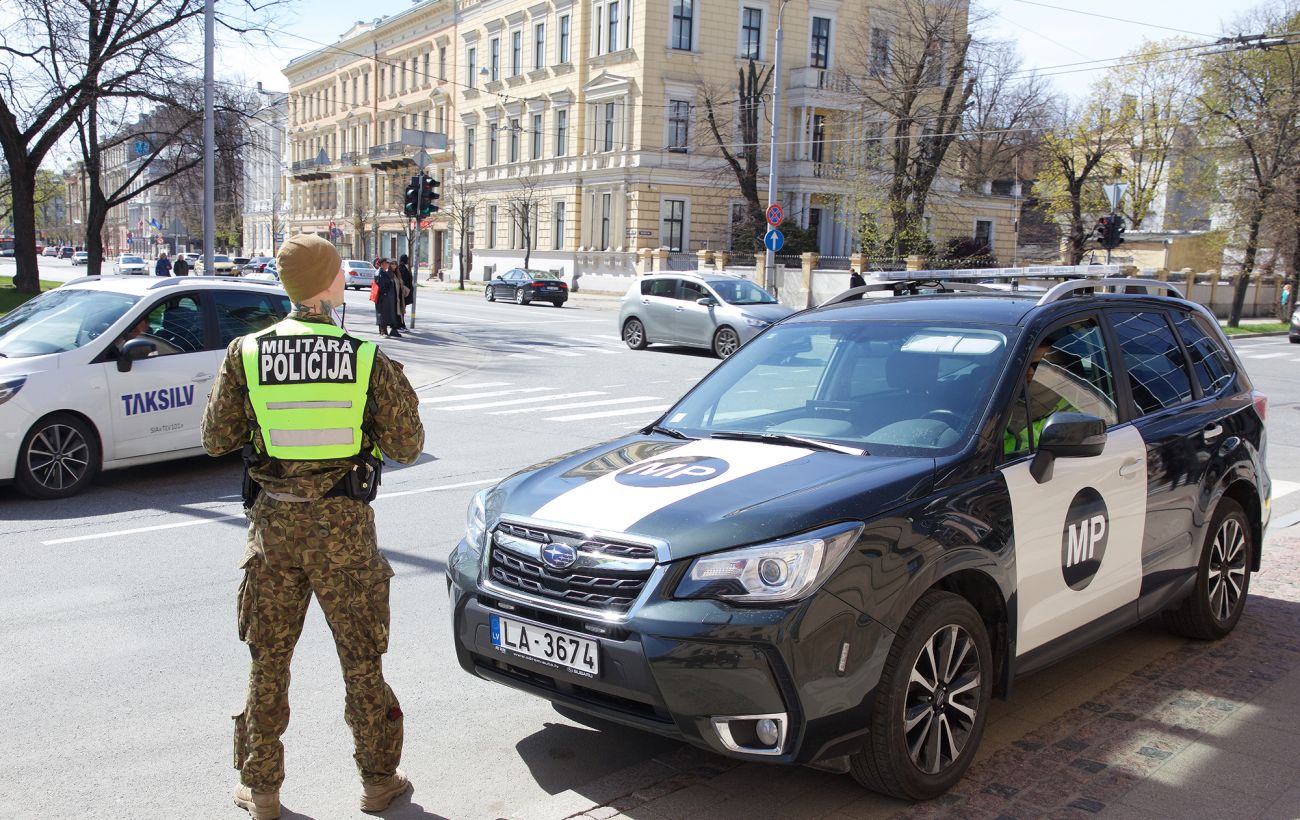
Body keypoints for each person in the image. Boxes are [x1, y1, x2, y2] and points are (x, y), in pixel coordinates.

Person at [201, 233, 424, 820]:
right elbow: (408, 445)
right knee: (362, 661)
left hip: (273, 527)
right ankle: (379, 782)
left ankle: (263, 789)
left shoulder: (245, 354)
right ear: (330, 284)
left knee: (268, 662)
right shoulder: (364, 357)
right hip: (345, 530)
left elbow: (214, 438)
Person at [373, 259, 402, 338]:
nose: (388, 264)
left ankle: (388, 331)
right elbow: (381, 285)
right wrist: (385, 293)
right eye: (386, 263)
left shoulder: (384, 272)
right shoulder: (379, 272)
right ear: (382, 264)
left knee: (387, 314)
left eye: (388, 263)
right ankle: (382, 331)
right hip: (383, 298)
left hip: (387, 298)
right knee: (382, 314)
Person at [396, 255, 413, 330]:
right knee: (401, 309)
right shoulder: (402, 269)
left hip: (404, 292)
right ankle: (401, 324)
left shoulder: (401, 268)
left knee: (402, 309)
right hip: (403, 293)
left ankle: (401, 324)